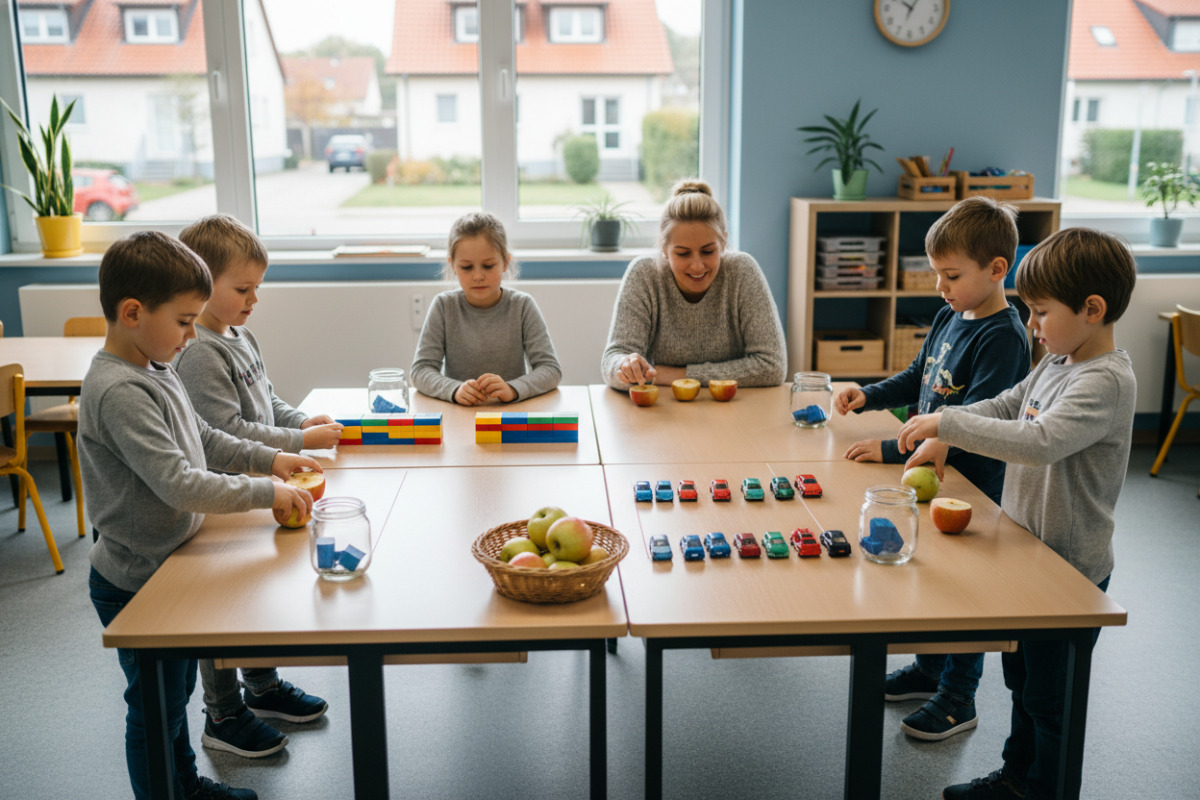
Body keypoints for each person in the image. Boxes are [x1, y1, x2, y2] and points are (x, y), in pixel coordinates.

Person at [894, 227, 1137, 800]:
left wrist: (947, 424)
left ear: (1092, 309)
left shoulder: (1104, 380)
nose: (1031, 324)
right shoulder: (1059, 359)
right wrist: (946, 433)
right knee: (1023, 681)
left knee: (1052, 701)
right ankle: (1016, 779)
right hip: (1032, 558)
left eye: (1041, 311)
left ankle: (1043, 789)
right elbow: (1008, 404)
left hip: (1070, 570)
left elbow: (1039, 439)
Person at [80, 231, 321, 800]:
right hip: (137, 580)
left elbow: (206, 438)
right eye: (185, 321)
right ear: (133, 312)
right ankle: (172, 792)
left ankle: (183, 785)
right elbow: (179, 483)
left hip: (171, 565)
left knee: (175, 696)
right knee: (155, 710)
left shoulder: (155, 365)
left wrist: (273, 457)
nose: (192, 336)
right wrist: (264, 490)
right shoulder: (121, 390)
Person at [834, 196, 1031, 742]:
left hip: (973, 489)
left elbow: (971, 428)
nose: (940, 288)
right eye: (936, 274)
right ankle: (928, 668)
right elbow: (919, 377)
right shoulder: (950, 314)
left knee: (965, 595)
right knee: (931, 585)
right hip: (929, 473)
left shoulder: (1004, 338)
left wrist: (891, 450)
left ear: (997, 270)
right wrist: (867, 396)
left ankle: (958, 695)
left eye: (951, 275)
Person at [174, 215, 336, 759]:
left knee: (256, 594)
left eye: (257, 289)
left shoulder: (241, 336)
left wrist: (303, 418)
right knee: (224, 607)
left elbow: (267, 401)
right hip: (226, 496)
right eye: (242, 289)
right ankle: (222, 712)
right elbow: (228, 431)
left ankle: (261, 687)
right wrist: (296, 436)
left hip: (260, 485)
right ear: (201, 287)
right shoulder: (199, 351)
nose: (253, 299)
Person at [601, 179, 786, 390]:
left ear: (723, 243)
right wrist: (624, 366)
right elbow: (612, 361)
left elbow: (772, 366)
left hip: (732, 408)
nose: (697, 266)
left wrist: (676, 375)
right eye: (682, 253)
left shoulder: (742, 271)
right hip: (663, 410)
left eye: (708, 251)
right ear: (664, 249)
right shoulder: (644, 274)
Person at [411, 211, 562, 405]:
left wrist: (512, 389)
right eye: (467, 267)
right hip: (460, 415)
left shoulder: (522, 305)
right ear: (453, 266)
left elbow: (550, 369)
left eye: (488, 266)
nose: (478, 276)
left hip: (509, 416)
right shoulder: (443, 306)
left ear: (506, 262)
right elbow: (420, 371)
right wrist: (454, 390)